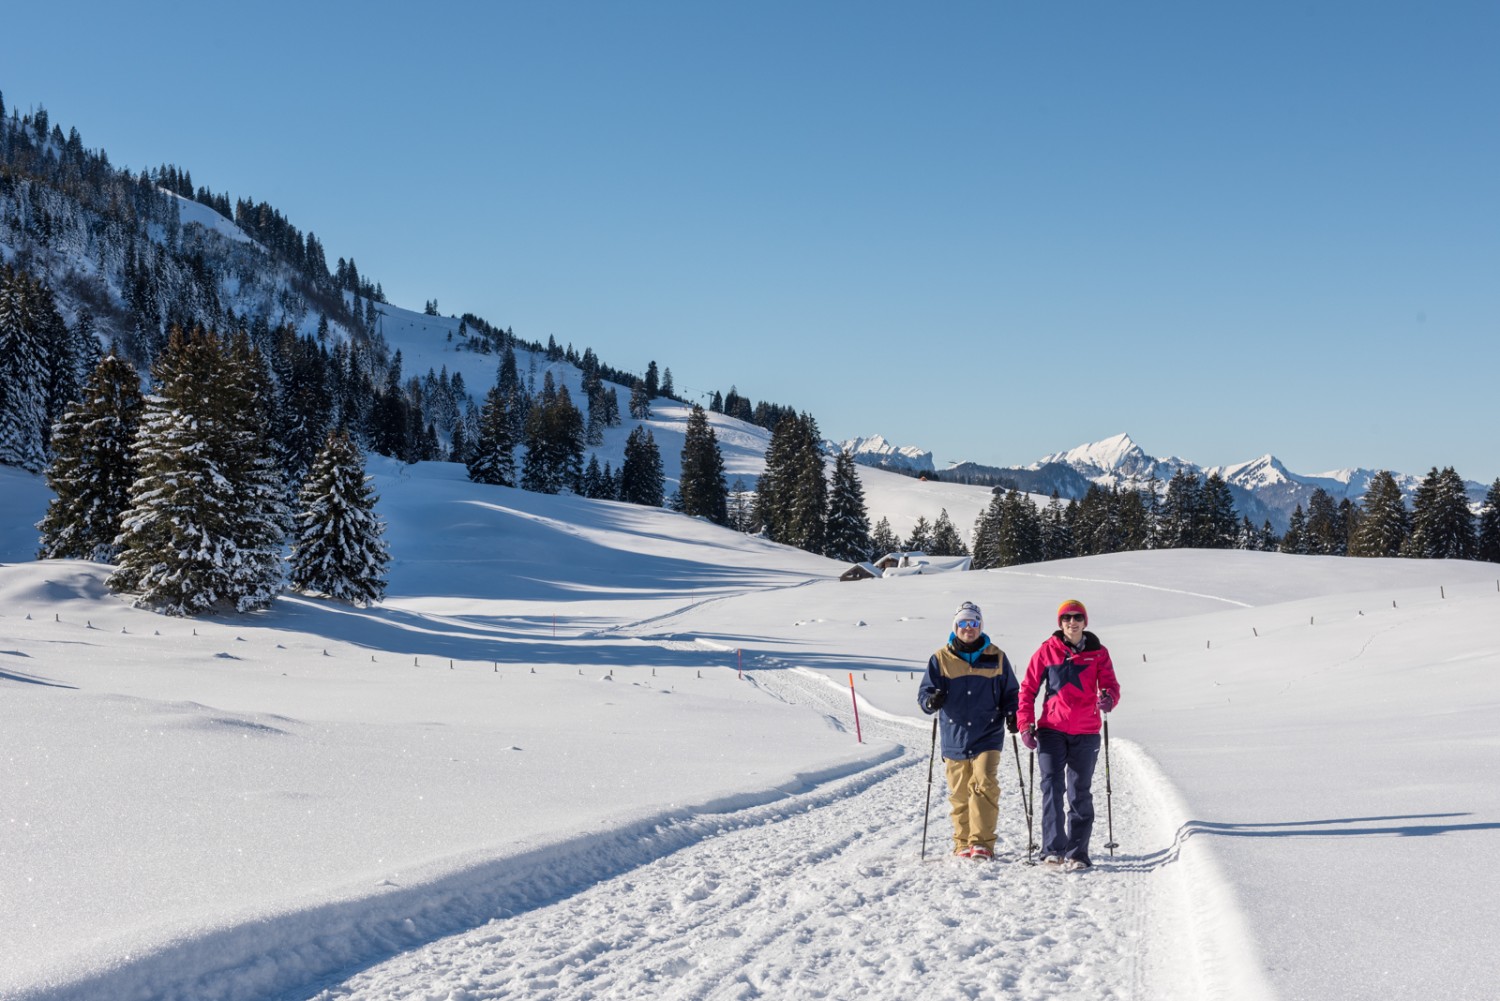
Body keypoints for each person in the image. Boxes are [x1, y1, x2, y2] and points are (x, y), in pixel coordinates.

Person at [1018, 599, 1121, 872]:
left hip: (1086, 732)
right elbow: (1028, 689)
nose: (1072, 623)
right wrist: (1025, 724)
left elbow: (1110, 685)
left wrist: (1108, 699)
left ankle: (1078, 853)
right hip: (1051, 730)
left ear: (1085, 622)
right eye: (1066, 618)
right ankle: (1052, 849)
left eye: (1077, 618)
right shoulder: (1046, 652)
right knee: (1051, 787)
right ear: (1060, 623)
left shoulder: (1098, 653)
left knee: (1079, 792)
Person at [918, 600, 1020, 860]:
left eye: (974, 623)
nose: (969, 628)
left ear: (980, 626)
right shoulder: (940, 658)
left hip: (988, 733)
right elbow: (925, 694)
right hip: (954, 736)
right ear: (955, 626)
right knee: (960, 793)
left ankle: (982, 843)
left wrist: (1012, 712)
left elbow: (1010, 692)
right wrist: (931, 701)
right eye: (963, 623)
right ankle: (962, 843)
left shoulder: (996, 656)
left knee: (984, 784)